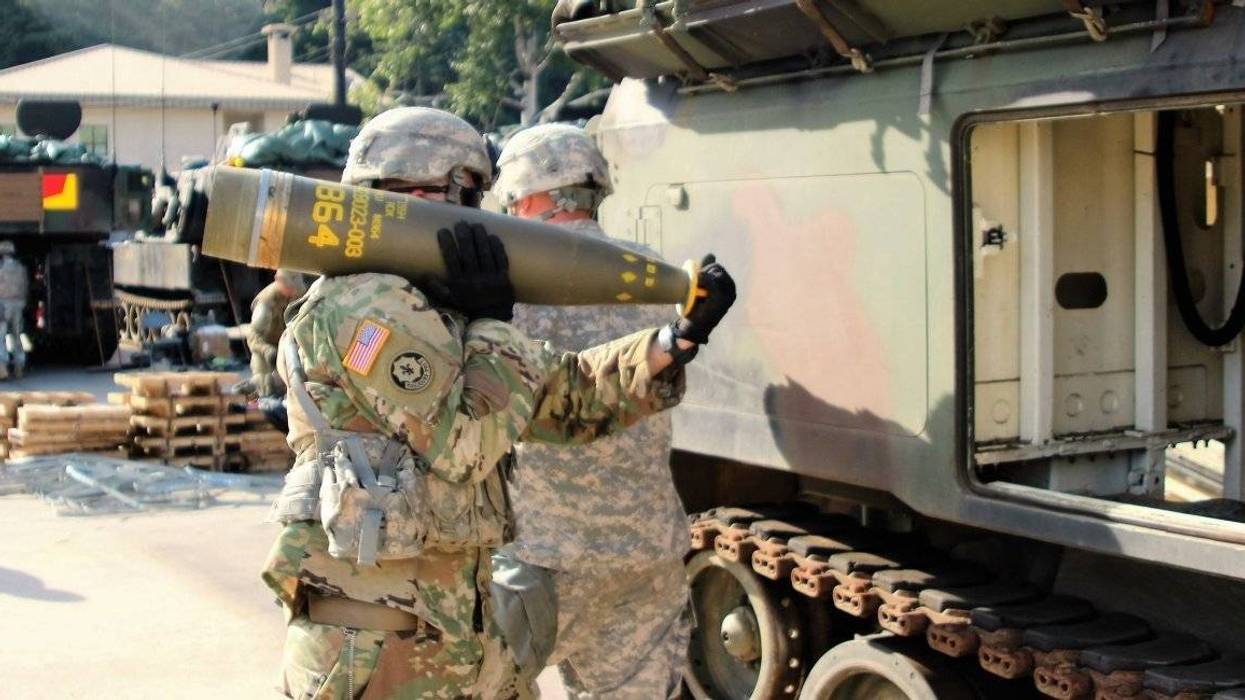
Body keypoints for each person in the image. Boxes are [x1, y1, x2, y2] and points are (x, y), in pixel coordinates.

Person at [259, 106, 737, 699]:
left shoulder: (429, 301)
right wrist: (491, 321)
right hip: (378, 643)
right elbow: (462, 445)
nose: (482, 216)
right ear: (424, 193)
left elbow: (552, 395)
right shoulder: (364, 307)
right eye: (470, 196)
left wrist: (673, 343)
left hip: (449, 627)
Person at [491, 123, 690, 698]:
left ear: (526, 197)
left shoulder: (509, 284)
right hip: (646, 553)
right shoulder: (652, 272)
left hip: (543, 555)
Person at [240, 268, 306, 399]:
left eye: (295, 289)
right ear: (279, 282)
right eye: (290, 288)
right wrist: (267, 350)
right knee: (265, 385)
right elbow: (253, 336)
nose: (294, 292)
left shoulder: (300, 293)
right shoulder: (266, 302)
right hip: (267, 347)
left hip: (289, 344)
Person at [0, 240, 28, 379]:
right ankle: (19, 366)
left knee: (1, 336)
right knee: (17, 335)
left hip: (3, 305)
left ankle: (2, 366)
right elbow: (25, 287)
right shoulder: (21, 268)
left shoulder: (1, 269)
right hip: (19, 304)